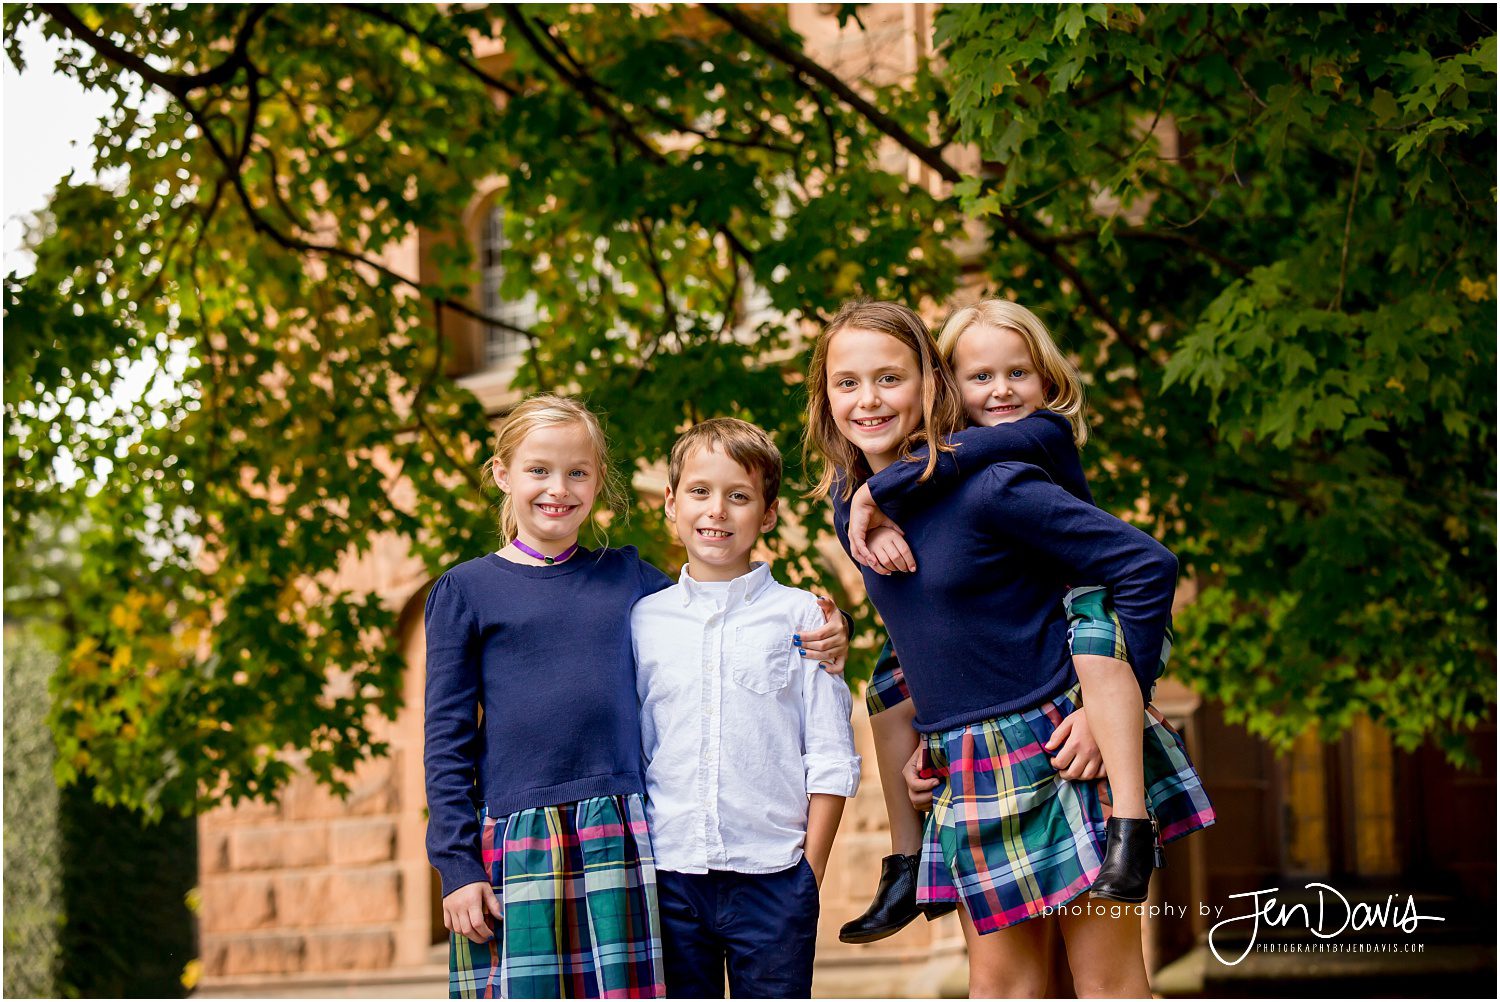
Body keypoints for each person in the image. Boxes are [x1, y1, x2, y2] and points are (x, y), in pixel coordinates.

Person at [804, 301, 1214, 997]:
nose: (868, 400)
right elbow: (924, 629)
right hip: (961, 762)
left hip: (1056, 744)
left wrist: (1108, 709)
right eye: (847, 384)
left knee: (1106, 983)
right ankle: (899, 866)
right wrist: (921, 744)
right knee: (1002, 987)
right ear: (825, 400)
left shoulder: (995, 486)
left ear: (931, 386)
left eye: (890, 380)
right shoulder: (851, 502)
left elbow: (1147, 567)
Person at [424, 394, 851, 999]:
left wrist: (835, 632)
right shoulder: (465, 591)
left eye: (578, 472)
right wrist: (457, 867)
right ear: (502, 473)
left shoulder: (629, 581)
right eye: (539, 470)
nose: (558, 488)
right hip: (521, 839)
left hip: (622, 833)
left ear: (599, 482)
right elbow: (446, 743)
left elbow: (715, 606)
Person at [633, 418, 860, 999]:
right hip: (672, 873)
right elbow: (638, 745)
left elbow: (831, 753)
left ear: (767, 513)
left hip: (775, 875)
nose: (717, 511)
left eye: (739, 496)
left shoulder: (804, 616)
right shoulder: (643, 622)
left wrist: (808, 872)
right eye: (700, 492)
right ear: (671, 503)